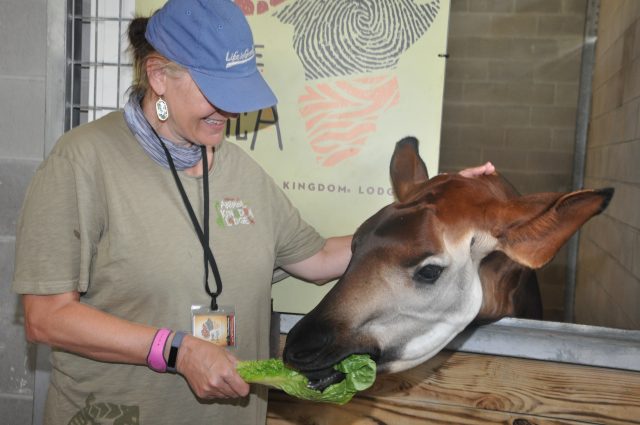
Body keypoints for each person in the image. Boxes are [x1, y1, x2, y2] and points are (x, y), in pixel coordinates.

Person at [12, 0, 494, 424]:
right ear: (159, 76)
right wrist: (176, 350)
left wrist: (431, 207)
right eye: (214, 90)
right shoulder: (82, 162)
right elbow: (47, 317)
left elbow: (320, 259)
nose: (229, 110)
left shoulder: (240, 170)